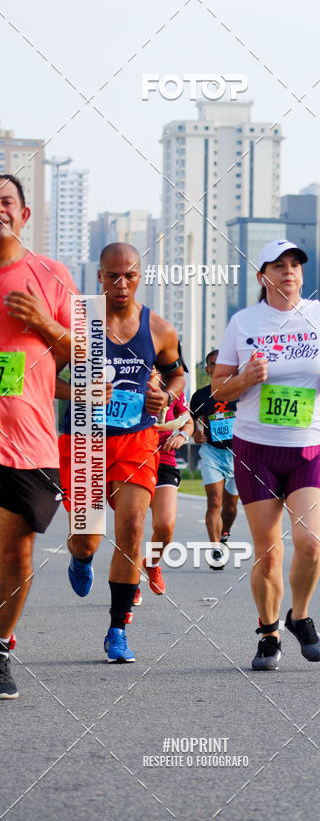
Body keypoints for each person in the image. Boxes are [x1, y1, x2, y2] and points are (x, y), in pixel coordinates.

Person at [211, 239, 320, 671]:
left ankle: (300, 616)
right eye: (279, 265)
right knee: (268, 551)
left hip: (308, 447)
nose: (289, 272)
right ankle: (268, 632)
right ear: (262, 276)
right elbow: (217, 387)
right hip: (256, 449)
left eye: (295, 265)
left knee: (310, 545)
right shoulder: (244, 322)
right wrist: (245, 377)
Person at [57, 242, 185, 663]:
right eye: (113, 275)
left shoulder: (159, 329)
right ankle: (81, 557)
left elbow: (175, 375)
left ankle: (117, 629)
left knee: (132, 527)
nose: (121, 283)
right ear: (99, 276)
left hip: (137, 440)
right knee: (87, 537)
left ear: (140, 276)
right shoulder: (79, 324)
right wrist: (82, 391)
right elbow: (42, 376)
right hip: (85, 439)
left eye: (129, 274)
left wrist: (162, 397)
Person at [0, 174, 78, 699]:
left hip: (28, 443)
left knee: (15, 556)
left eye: (6, 201)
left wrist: (44, 325)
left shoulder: (50, 276)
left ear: (24, 215)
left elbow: (84, 352)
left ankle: (1, 645)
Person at [134, 365, 193, 605]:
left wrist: (182, 436)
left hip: (164, 460)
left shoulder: (172, 391)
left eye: (157, 366)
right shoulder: (129, 386)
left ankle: (152, 563)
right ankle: (130, 582)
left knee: (165, 524)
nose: (153, 370)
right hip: (134, 460)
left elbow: (187, 421)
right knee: (132, 527)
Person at [190, 350, 239, 569]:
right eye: (213, 364)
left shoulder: (241, 393)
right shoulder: (200, 396)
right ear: (208, 369)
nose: (218, 367)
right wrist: (196, 432)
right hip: (212, 453)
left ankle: (225, 534)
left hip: (238, 455)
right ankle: (216, 549)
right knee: (215, 501)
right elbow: (192, 420)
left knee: (229, 507)